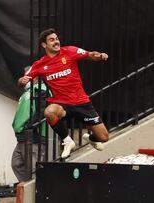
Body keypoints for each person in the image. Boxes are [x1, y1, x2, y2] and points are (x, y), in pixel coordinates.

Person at [18, 28, 109, 159]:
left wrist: (99, 56)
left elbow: (90, 54)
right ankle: (67, 141)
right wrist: (23, 80)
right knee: (49, 112)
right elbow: (21, 80)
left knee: (103, 137)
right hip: (62, 104)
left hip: (81, 102)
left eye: (56, 39)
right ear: (44, 45)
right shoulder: (39, 64)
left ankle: (91, 139)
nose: (56, 42)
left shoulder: (70, 51)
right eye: (51, 40)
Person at [12, 67, 48, 182]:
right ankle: (28, 189)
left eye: (28, 75)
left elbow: (42, 112)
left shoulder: (41, 89)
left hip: (33, 137)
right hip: (23, 136)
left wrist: (30, 127)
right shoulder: (28, 91)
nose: (25, 77)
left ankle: (33, 195)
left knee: (33, 169)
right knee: (16, 163)